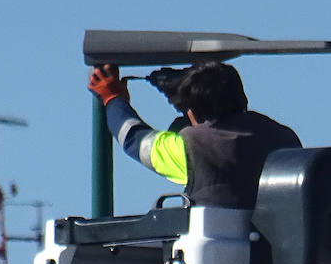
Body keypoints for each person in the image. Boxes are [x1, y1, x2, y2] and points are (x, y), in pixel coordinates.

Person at [88, 60, 301, 209]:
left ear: (193, 113)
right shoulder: (284, 138)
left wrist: (113, 98)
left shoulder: (192, 147)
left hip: (218, 261)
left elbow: (134, 138)